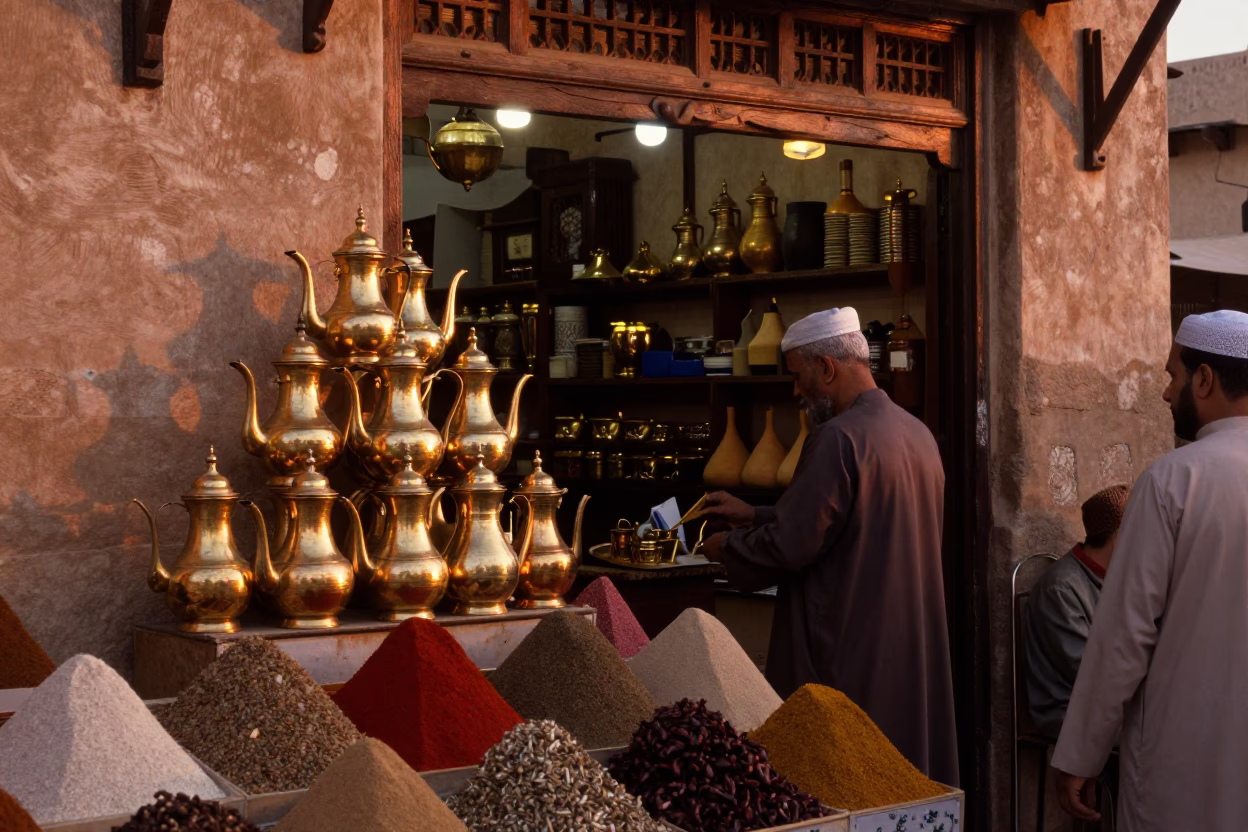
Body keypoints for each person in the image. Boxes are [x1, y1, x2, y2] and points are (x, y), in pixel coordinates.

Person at [696, 307, 958, 786]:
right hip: (907, 646)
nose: (797, 392)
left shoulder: (837, 438)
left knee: (844, 782)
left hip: (850, 645)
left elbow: (794, 545)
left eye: (799, 376)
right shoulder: (918, 435)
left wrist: (724, 547)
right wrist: (757, 513)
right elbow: (860, 518)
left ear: (828, 367)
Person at [1052, 309, 1248, 831]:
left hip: (1184, 761)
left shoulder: (1171, 482)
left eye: (1173, 376)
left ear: (1204, 379)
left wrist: (1080, 755)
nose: (1166, 394)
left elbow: (1123, 635)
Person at [1023, 484, 1130, 738]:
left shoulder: (1115, 579)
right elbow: (1089, 671)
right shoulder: (1060, 589)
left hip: (1108, 704)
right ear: (1119, 536)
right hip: (1068, 711)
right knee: (1168, 731)